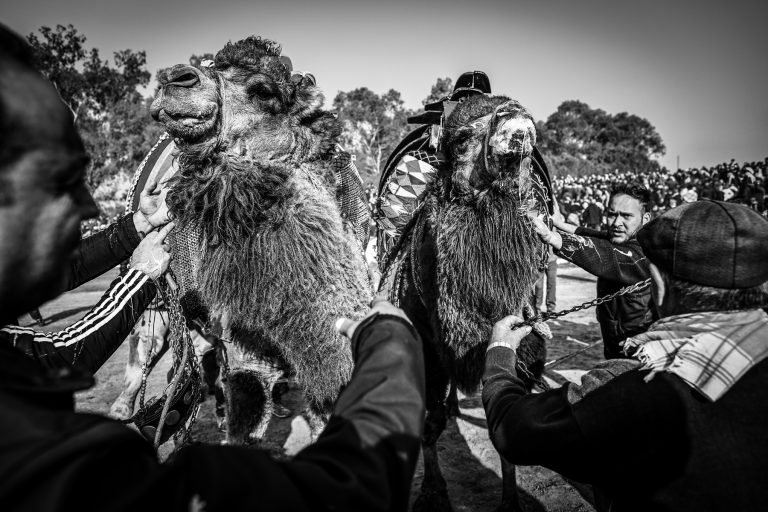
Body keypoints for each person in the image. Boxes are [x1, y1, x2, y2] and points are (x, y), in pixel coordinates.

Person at [0, 25, 425, 511]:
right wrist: (393, 344)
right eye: (58, 179)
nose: (87, 205)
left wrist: (132, 230)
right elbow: (342, 494)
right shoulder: (42, 452)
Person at [483, 200, 768, 511]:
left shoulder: (625, 389)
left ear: (657, 285)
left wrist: (500, 352)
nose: (616, 222)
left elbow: (513, 430)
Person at [530, 183, 657, 359]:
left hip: (639, 351)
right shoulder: (619, 238)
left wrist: (554, 238)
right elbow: (592, 235)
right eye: (612, 214)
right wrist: (560, 223)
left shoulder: (646, 252)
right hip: (613, 344)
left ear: (646, 218)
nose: (617, 222)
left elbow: (607, 256)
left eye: (626, 216)